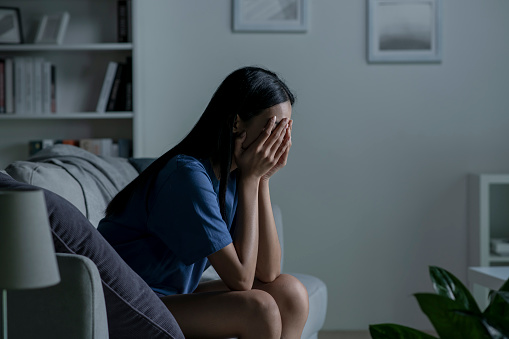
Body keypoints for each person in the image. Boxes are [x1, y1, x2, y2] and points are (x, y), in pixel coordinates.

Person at [98, 66, 309, 339]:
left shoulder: (235, 174)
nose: (278, 141)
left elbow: (268, 273)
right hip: (129, 301)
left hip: (172, 295)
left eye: (285, 129)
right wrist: (251, 180)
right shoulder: (187, 175)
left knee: (291, 293)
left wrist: (262, 179)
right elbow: (242, 280)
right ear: (237, 124)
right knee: (260, 307)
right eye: (273, 128)